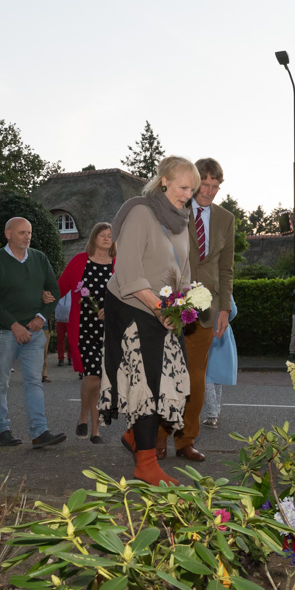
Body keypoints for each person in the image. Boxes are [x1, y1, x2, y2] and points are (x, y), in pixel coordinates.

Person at [99, 156, 199, 486]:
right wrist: (160, 308)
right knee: (146, 383)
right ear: (165, 181)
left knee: (171, 381)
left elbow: (182, 273)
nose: (188, 195)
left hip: (162, 309)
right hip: (131, 305)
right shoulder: (141, 212)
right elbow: (128, 271)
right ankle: (145, 463)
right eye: (184, 187)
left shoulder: (182, 222)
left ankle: (134, 437)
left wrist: (183, 306)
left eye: (192, 190)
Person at [156, 157, 235, 464]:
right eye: (205, 184)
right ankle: (159, 438)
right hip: (172, 305)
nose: (210, 191)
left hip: (207, 308)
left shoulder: (226, 218)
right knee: (169, 376)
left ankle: (186, 440)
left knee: (197, 379)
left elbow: (226, 268)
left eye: (216, 186)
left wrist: (224, 309)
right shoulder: (174, 208)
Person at [0, 217, 64, 448]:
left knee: (34, 381)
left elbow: (54, 291)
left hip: (35, 332)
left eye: (29, 232)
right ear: (8, 234)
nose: (27, 236)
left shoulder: (39, 258)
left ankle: (40, 432)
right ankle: (1, 430)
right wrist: (14, 325)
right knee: (0, 382)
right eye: (21, 232)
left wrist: (40, 317)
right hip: (4, 333)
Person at [57, 222, 115, 444]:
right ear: (94, 238)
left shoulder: (118, 265)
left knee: (100, 380)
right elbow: (59, 287)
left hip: (110, 330)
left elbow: (127, 295)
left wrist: (110, 309)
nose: (107, 239)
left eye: (110, 235)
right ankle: (86, 418)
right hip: (84, 328)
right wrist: (42, 300)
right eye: (102, 235)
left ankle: (94, 430)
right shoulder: (79, 261)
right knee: (92, 374)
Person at [203, 296, 238, 428]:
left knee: (207, 375)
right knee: (216, 374)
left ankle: (212, 415)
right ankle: (216, 409)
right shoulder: (225, 291)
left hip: (208, 331)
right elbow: (233, 311)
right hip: (223, 332)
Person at [54, 292, 72, 367]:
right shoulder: (59, 291)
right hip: (60, 320)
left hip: (70, 320)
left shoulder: (73, 290)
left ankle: (70, 357)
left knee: (71, 340)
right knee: (60, 339)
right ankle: (60, 358)